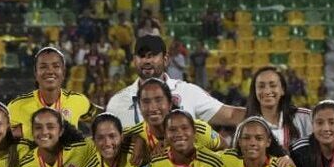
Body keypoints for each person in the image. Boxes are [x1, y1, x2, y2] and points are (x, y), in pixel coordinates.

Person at [105, 34, 245, 128]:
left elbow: (231, 115)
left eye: (152, 56)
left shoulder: (188, 92)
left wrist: (265, 113)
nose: (147, 61)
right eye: (141, 56)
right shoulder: (118, 101)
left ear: (165, 60)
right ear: (134, 60)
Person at [126, 79, 223, 163]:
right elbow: (116, 138)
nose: (152, 108)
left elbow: (225, 150)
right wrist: (137, 138)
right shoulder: (133, 133)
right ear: (139, 106)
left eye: (158, 100)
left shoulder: (197, 129)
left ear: (170, 104)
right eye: (146, 102)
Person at [8, 46, 94, 139]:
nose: (50, 71)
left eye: (56, 66)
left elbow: (103, 119)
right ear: (36, 74)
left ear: (63, 73)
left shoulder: (78, 100)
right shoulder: (17, 106)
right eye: (43, 67)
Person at [245, 66, 312, 148]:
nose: (267, 91)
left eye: (273, 85)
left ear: (282, 90)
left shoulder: (304, 117)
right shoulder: (246, 123)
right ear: (254, 91)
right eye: (261, 86)